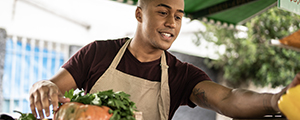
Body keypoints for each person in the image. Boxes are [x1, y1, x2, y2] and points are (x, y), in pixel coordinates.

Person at [29, 0, 300, 119]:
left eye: (179, 16)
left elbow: (228, 99)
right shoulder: (98, 53)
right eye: (162, 12)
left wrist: (275, 100)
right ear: (139, 15)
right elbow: (52, 87)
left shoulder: (181, 75)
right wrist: (42, 86)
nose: (172, 23)